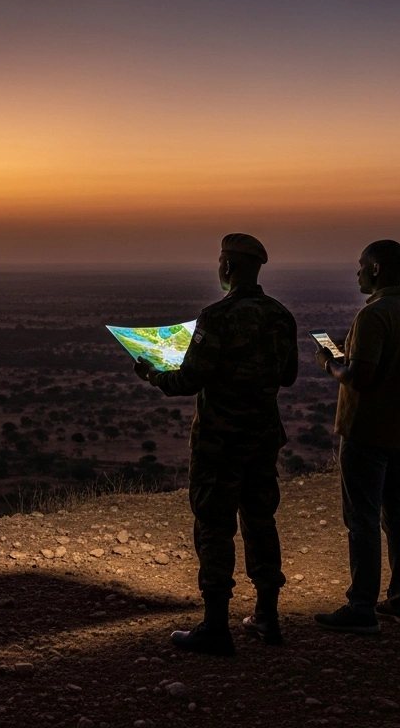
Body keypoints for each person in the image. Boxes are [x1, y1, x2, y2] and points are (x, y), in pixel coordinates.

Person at [134, 233, 298, 655]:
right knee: (261, 520)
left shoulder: (216, 317)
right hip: (262, 437)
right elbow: (289, 375)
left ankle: (216, 626)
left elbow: (188, 380)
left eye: (221, 261)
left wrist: (155, 375)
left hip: (219, 442)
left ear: (228, 266)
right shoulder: (281, 315)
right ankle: (267, 616)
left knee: (214, 524)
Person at [312, 239, 400, 634]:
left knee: (362, 517)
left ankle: (361, 607)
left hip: (366, 431)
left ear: (377, 268)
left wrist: (330, 363)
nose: (357, 271)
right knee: (397, 514)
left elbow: (358, 378)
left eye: (361, 264)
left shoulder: (374, 316)